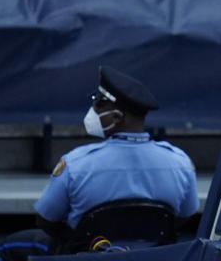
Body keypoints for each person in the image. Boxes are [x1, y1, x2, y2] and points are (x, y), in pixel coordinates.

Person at [34, 65, 197, 247]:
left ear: (116, 118)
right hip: (153, 256)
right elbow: (185, 215)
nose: (93, 111)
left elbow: (45, 220)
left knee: (13, 245)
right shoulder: (180, 163)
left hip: (87, 257)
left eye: (99, 105)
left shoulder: (75, 165)